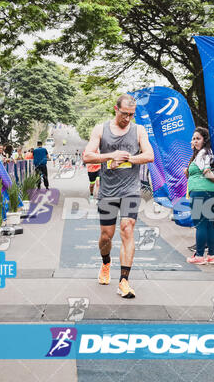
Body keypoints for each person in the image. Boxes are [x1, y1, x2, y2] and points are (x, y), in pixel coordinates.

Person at [83, 94, 154, 299]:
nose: (128, 119)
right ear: (116, 109)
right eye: (125, 114)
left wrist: (129, 158)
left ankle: (124, 281)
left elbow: (149, 155)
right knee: (107, 235)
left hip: (130, 190)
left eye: (132, 115)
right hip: (107, 191)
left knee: (127, 228)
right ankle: (106, 262)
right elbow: (87, 156)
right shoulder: (101, 129)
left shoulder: (138, 130)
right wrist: (110, 156)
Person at [185, 127, 214, 265]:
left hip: (201, 192)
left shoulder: (203, 153)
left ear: (205, 140)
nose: (195, 141)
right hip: (213, 193)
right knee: (209, 224)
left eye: (198, 138)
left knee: (200, 224)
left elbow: (206, 171)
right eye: (193, 138)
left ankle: (200, 256)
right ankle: (212, 256)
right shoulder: (208, 152)